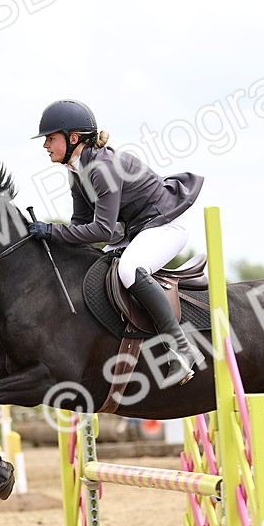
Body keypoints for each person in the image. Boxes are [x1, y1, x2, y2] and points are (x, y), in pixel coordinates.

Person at [26, 99, 206, 384]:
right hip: (136, 230)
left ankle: (182, 348)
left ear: (73, 139)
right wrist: (47, 241)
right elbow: (80, 226)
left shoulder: (101, 169)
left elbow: (101, 231)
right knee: (97, 267)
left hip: (166, 225)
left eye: (50, 138)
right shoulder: (76, 172)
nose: (45, 145)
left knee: (128, 270)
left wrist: (51, 231)